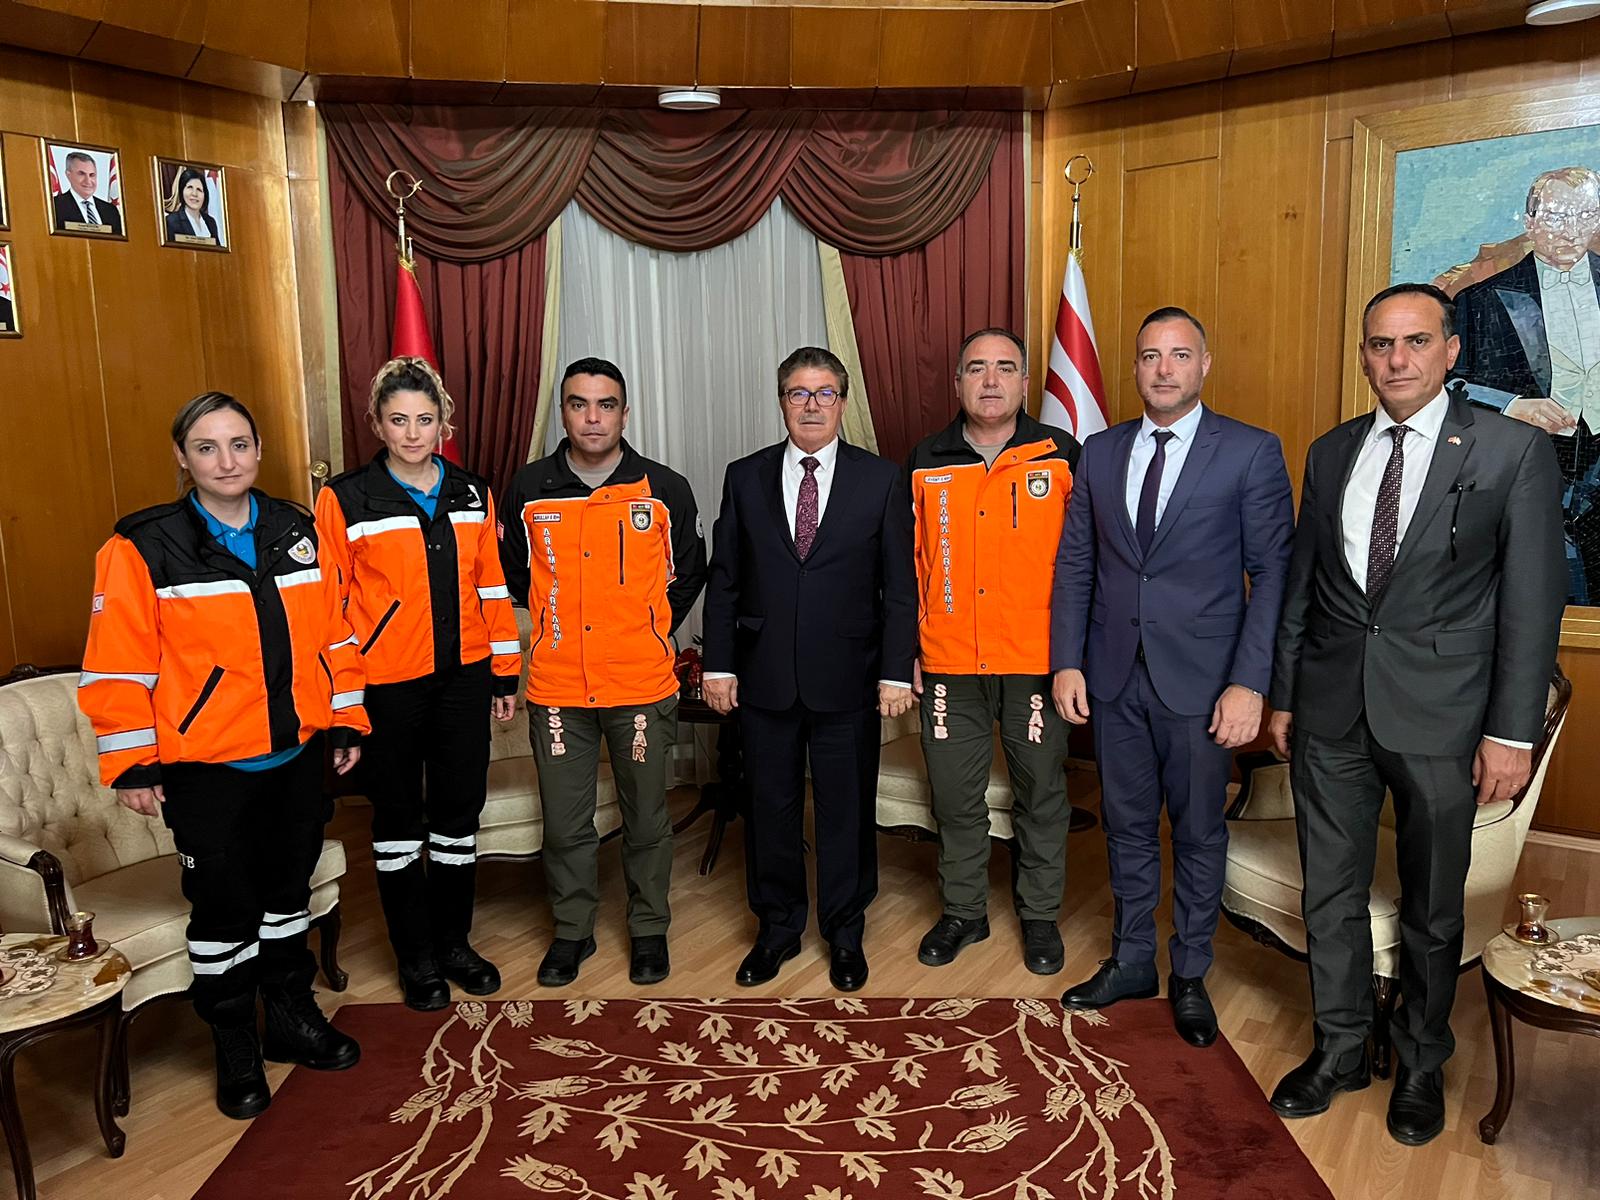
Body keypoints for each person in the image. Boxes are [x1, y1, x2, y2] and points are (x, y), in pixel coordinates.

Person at [1268, 283, 1564, 1145]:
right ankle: (1339, 1047)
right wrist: (1284, 697)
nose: (1396, 359)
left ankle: (1422, 1061)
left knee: (1432, 905)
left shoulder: (1510, 449)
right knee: (1330, 891)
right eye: (1379, 344)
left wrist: (1510, 733)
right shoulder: (1331, 452)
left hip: (1445, 719)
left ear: (1450, 350)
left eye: (1415, 341)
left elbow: (1532, 605)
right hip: (1330, 711)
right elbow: (1302, 589)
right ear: (1364, 355)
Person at [79, 392, 367, 1120]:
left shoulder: (297, 531)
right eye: (206, 447)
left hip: (295, 758)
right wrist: (132, 762)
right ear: (182, 457)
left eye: (239, 444)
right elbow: (116, 666)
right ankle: (234, 1039)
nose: (226, 461)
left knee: (288, 895)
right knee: (223, 911)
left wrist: (345, 721)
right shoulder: (141, 546)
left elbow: (335, 638)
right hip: (206, 771)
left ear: (258, 449)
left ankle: (291, 1017)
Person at [1051, 307, 1294, 1045]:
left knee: (1196, 831)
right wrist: (1067, 659)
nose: (1164, 369)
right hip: (1113, 676)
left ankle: (1189, 972)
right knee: (1126, 826)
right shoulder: (1099, 451)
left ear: (1204, 365)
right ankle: (1132, 960)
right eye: (1151, 355)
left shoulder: (1250, 451)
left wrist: (1250, 683)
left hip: (1205, 684)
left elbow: (1273, 576)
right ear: (1134, 367)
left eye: (1180, 355)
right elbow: (1077, 563)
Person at [702, 346, 917, 992]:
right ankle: (777, 929)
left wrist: (895, 672)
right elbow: (725, 579)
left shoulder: (880, 479)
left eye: (825, 393)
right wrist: (717, 665)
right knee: (769, 807)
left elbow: (899, 588)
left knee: (845, 810)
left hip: (849, 677)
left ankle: (845, 932)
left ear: (842, 404)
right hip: (764, 677)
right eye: (799, 393)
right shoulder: (745, 477)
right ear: (782, 403)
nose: (812, 405)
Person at [316, 358, 520, 1011]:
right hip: (387, 687)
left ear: (443, 424)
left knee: (459, 816)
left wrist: (504, 672)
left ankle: (455, 944)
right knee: (399, 821)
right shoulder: (345, 499)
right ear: (377, 425)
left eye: (424, 420)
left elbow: (493, 587)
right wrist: (345, 704)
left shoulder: (472, 492)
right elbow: (327, 612)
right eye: (398, 420)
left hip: (464, 681)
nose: (412, 433)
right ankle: (416, 957)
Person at [499, 357, 706, 987]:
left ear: (624, 412)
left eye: (606, 404)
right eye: (579, 404)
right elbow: (513, 576)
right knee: (566, 823)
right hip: (558, 687)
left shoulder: (664, 488)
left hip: (640, 685)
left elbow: (690, 572)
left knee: (647, 818)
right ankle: (572, 931)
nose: (593, 418)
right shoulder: (529, 487)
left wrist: (647, 627)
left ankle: (648, 929)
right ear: (562, 412)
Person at [903, 328, 1080, 976]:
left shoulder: (1060, 455)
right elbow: (908, 563)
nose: (990, 380)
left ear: (1025, 382)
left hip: (1036, 663)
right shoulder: (925, 459)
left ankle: (1039, 915)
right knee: (954, 797)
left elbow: (1085, 564)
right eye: (976, 368)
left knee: (1041, 795)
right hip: (949, 662)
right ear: (957, 382)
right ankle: (963, 911)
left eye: (1005, 367)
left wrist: (1074, 656)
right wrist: (908, 648)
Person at [1450, 167, 1600, 601]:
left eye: (1584, 215)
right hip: (1530, 462)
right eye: (1556, 217)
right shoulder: (1480, 300)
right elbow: (1448, 385)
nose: (1571, 230)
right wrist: (1512, 405)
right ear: (1530, 222)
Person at [52, 150, 123, 235]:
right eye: (81, 174)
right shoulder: (55, 206)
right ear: (68, 175)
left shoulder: (110, 210)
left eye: (92, 175)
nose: (88, 181)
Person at [164, 166, 221, 243]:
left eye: (199, 190)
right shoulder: (171, 222)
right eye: (190, 187)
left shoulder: (211, 222)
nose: (194, 194)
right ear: (182, 191)